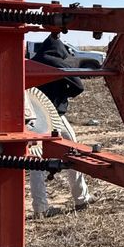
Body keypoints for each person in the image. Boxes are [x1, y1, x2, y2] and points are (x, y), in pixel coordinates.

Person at [28, 33, 95, 217]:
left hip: (33, 119)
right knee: (73, 153)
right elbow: (78, 86)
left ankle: (40, 208)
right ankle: (81, 198)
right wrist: (63, 94)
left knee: (37, 164)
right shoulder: (58, 63)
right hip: (55, 116)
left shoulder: (33, 61)